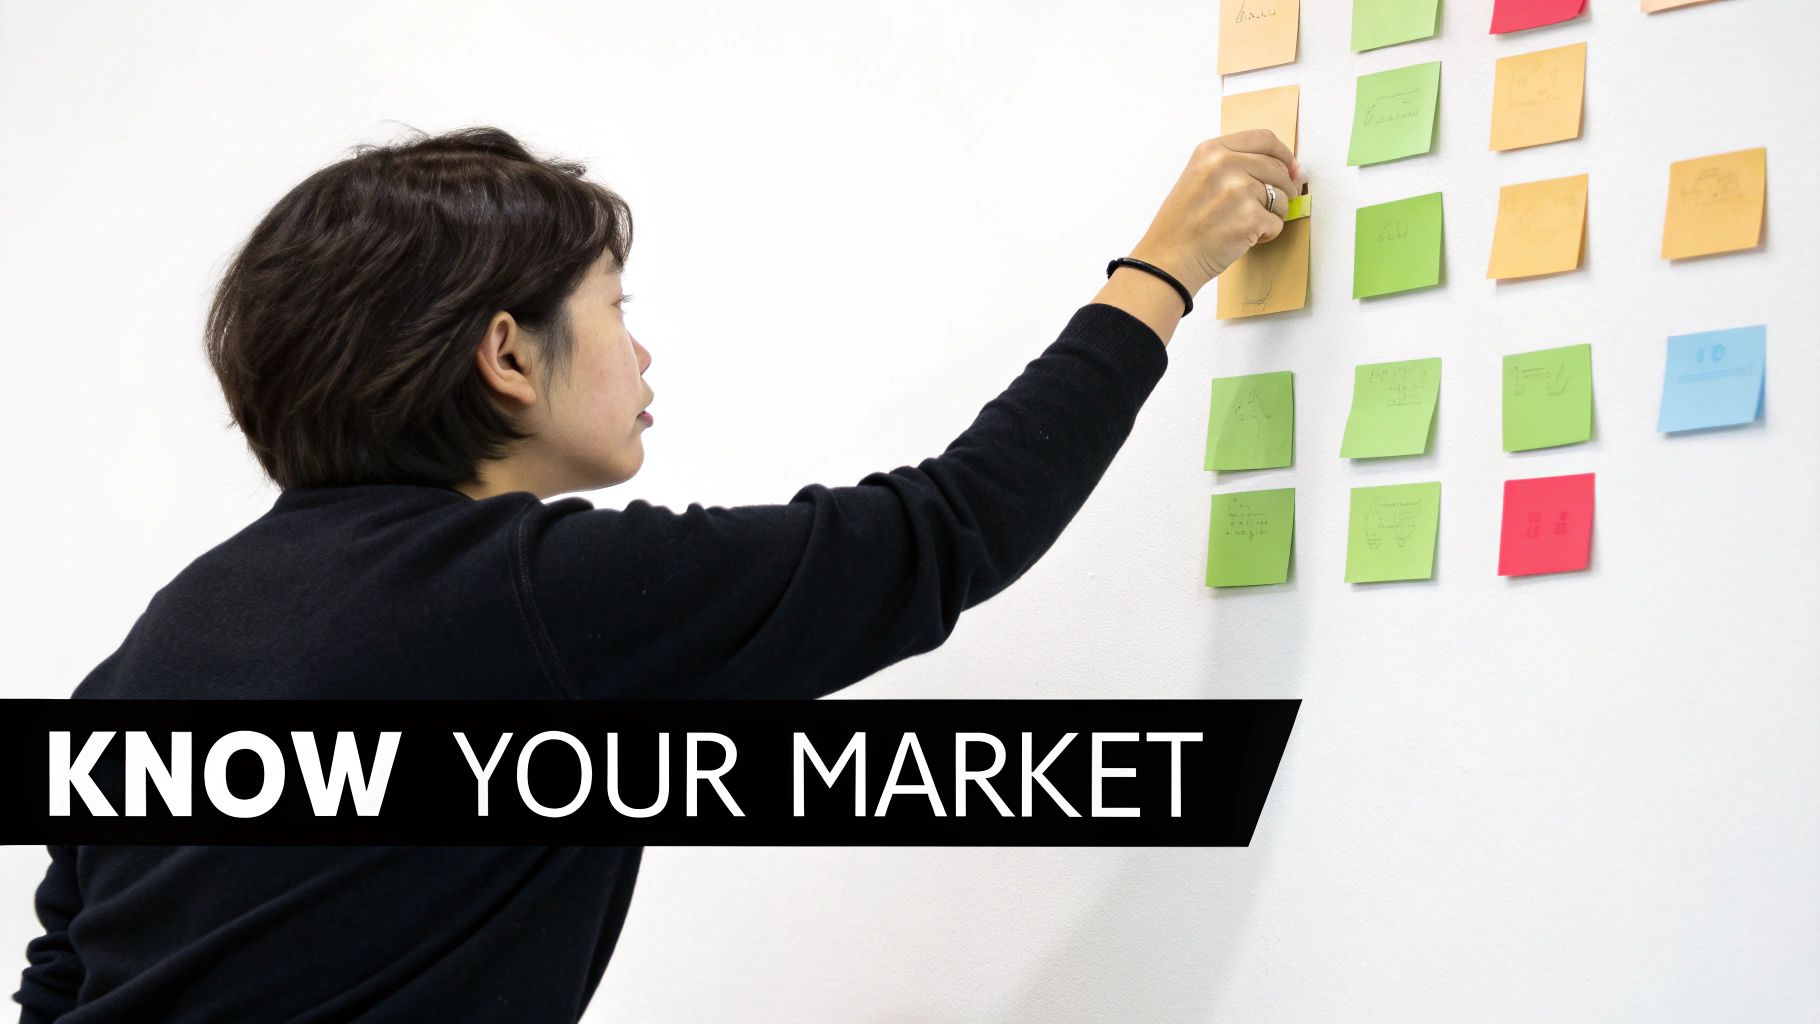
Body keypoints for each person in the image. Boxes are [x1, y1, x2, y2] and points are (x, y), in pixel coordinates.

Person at [13, 124, 1301, 1023]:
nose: (640, 355)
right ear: (509, 358)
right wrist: (1158, 275)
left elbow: (66, 964)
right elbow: (946, 531)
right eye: (617, 306)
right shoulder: (522, 599)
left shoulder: (170, 630)